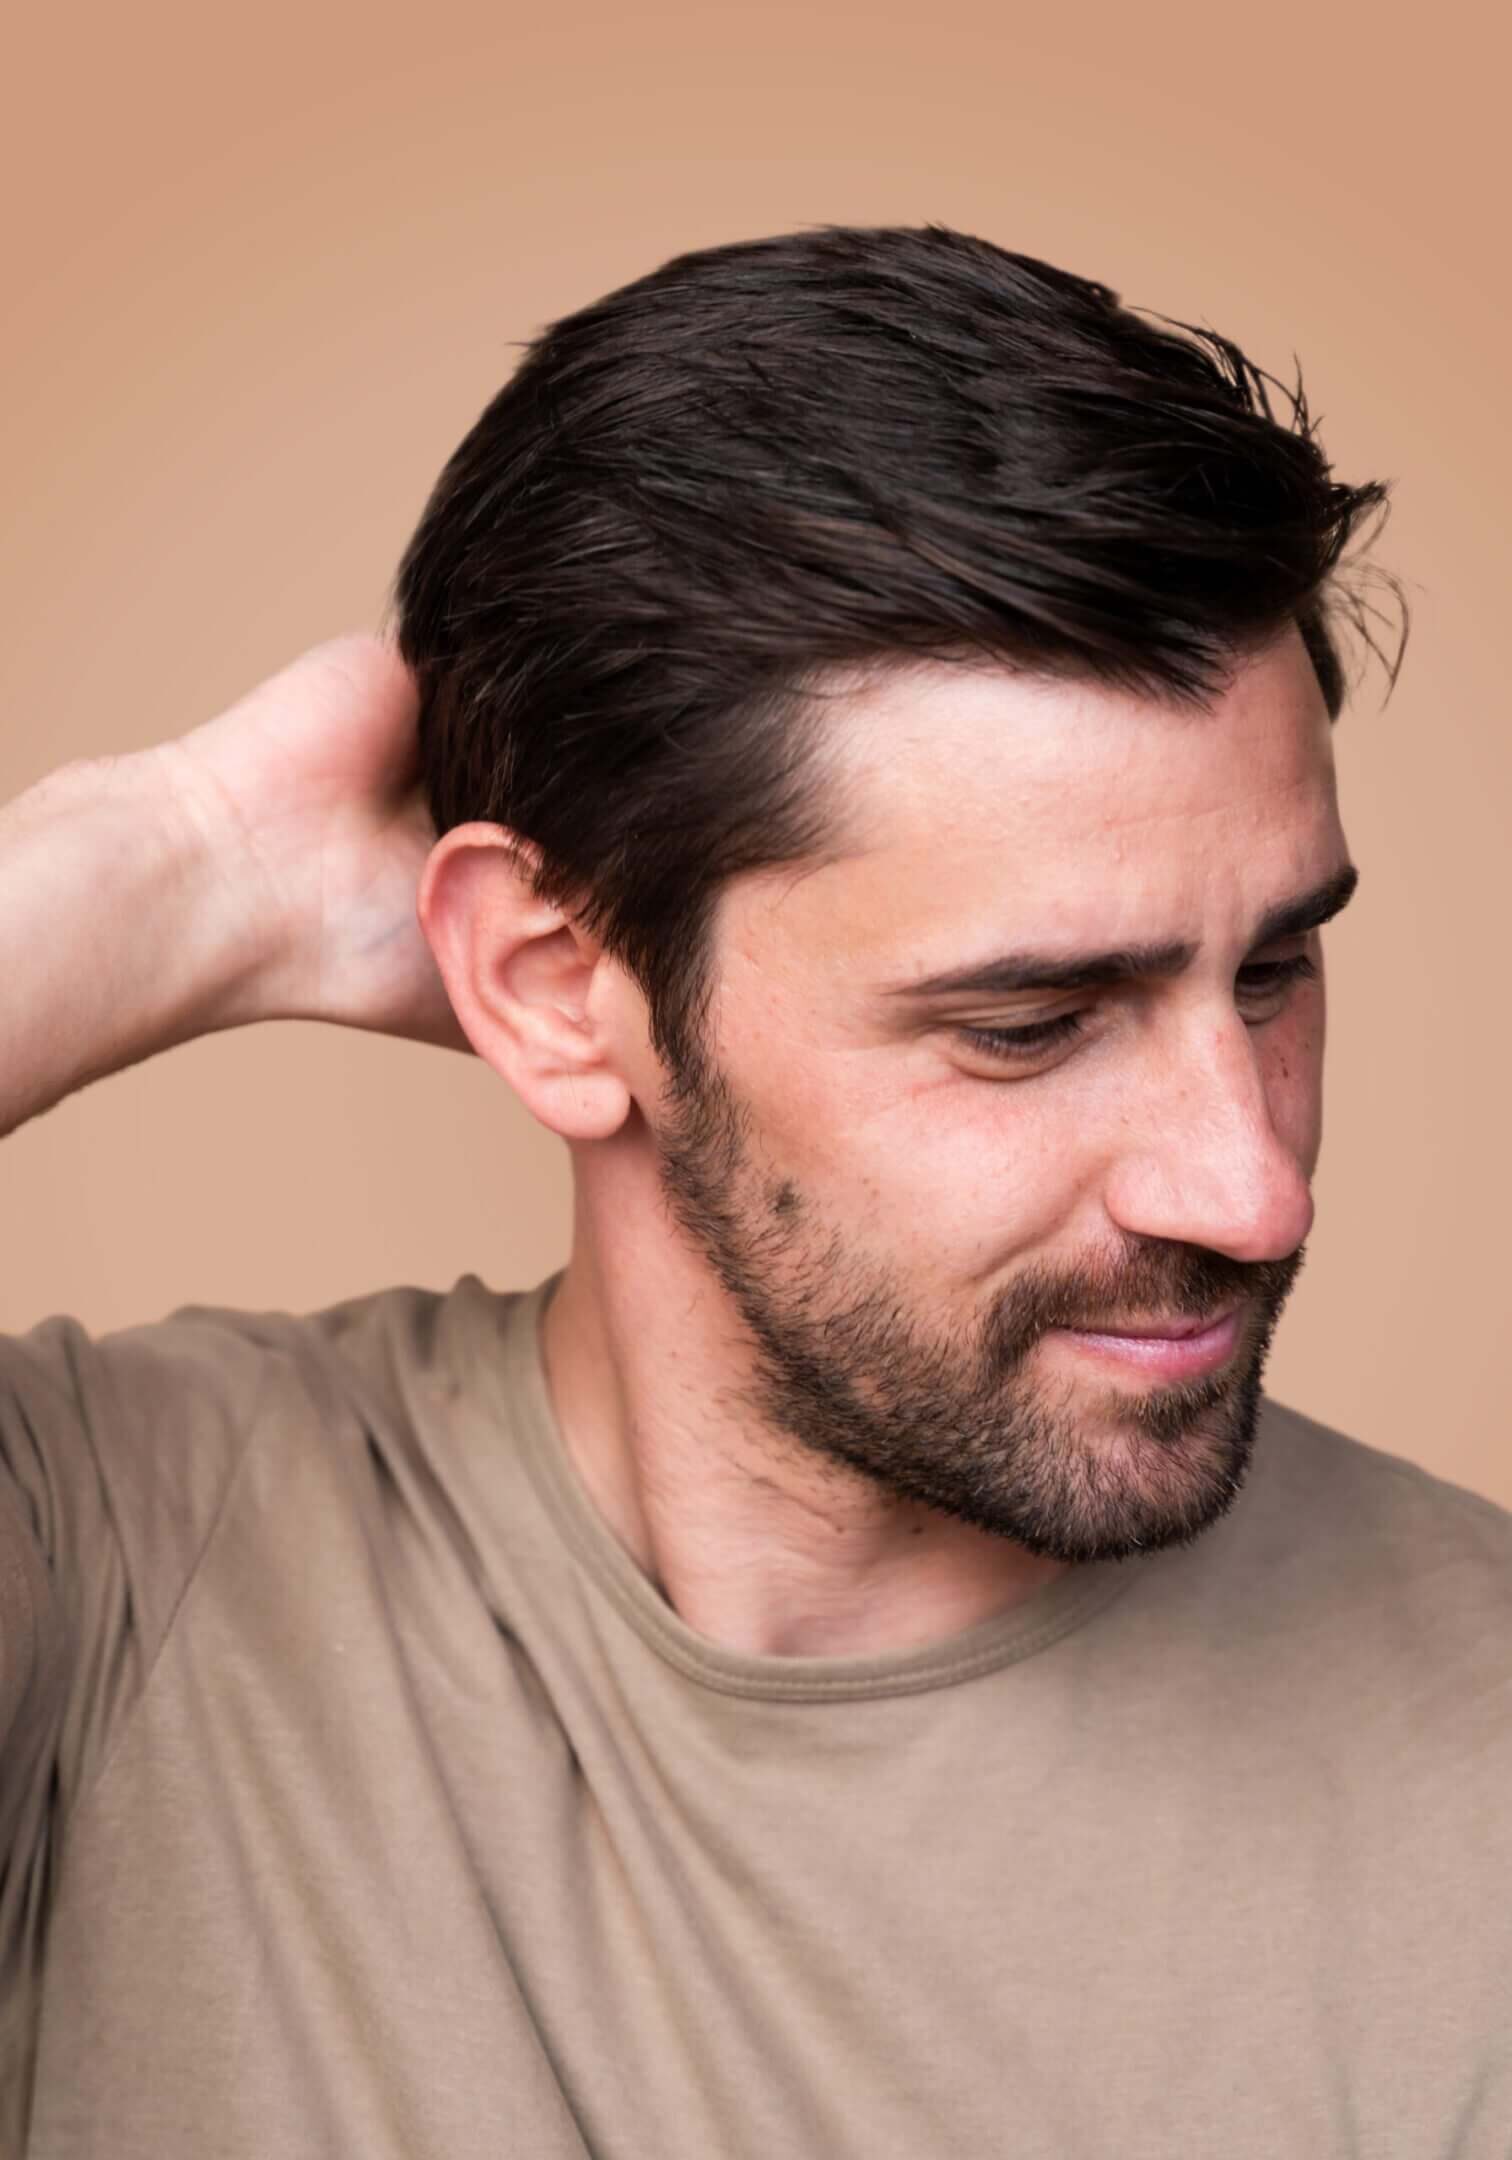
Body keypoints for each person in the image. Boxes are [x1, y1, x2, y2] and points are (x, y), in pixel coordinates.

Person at [1, 223, 1507, 2160]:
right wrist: (163, 867)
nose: (1254, 1188)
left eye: (1274, 973)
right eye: (1038, 1020)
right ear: (557, 990)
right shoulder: (124, 1570)